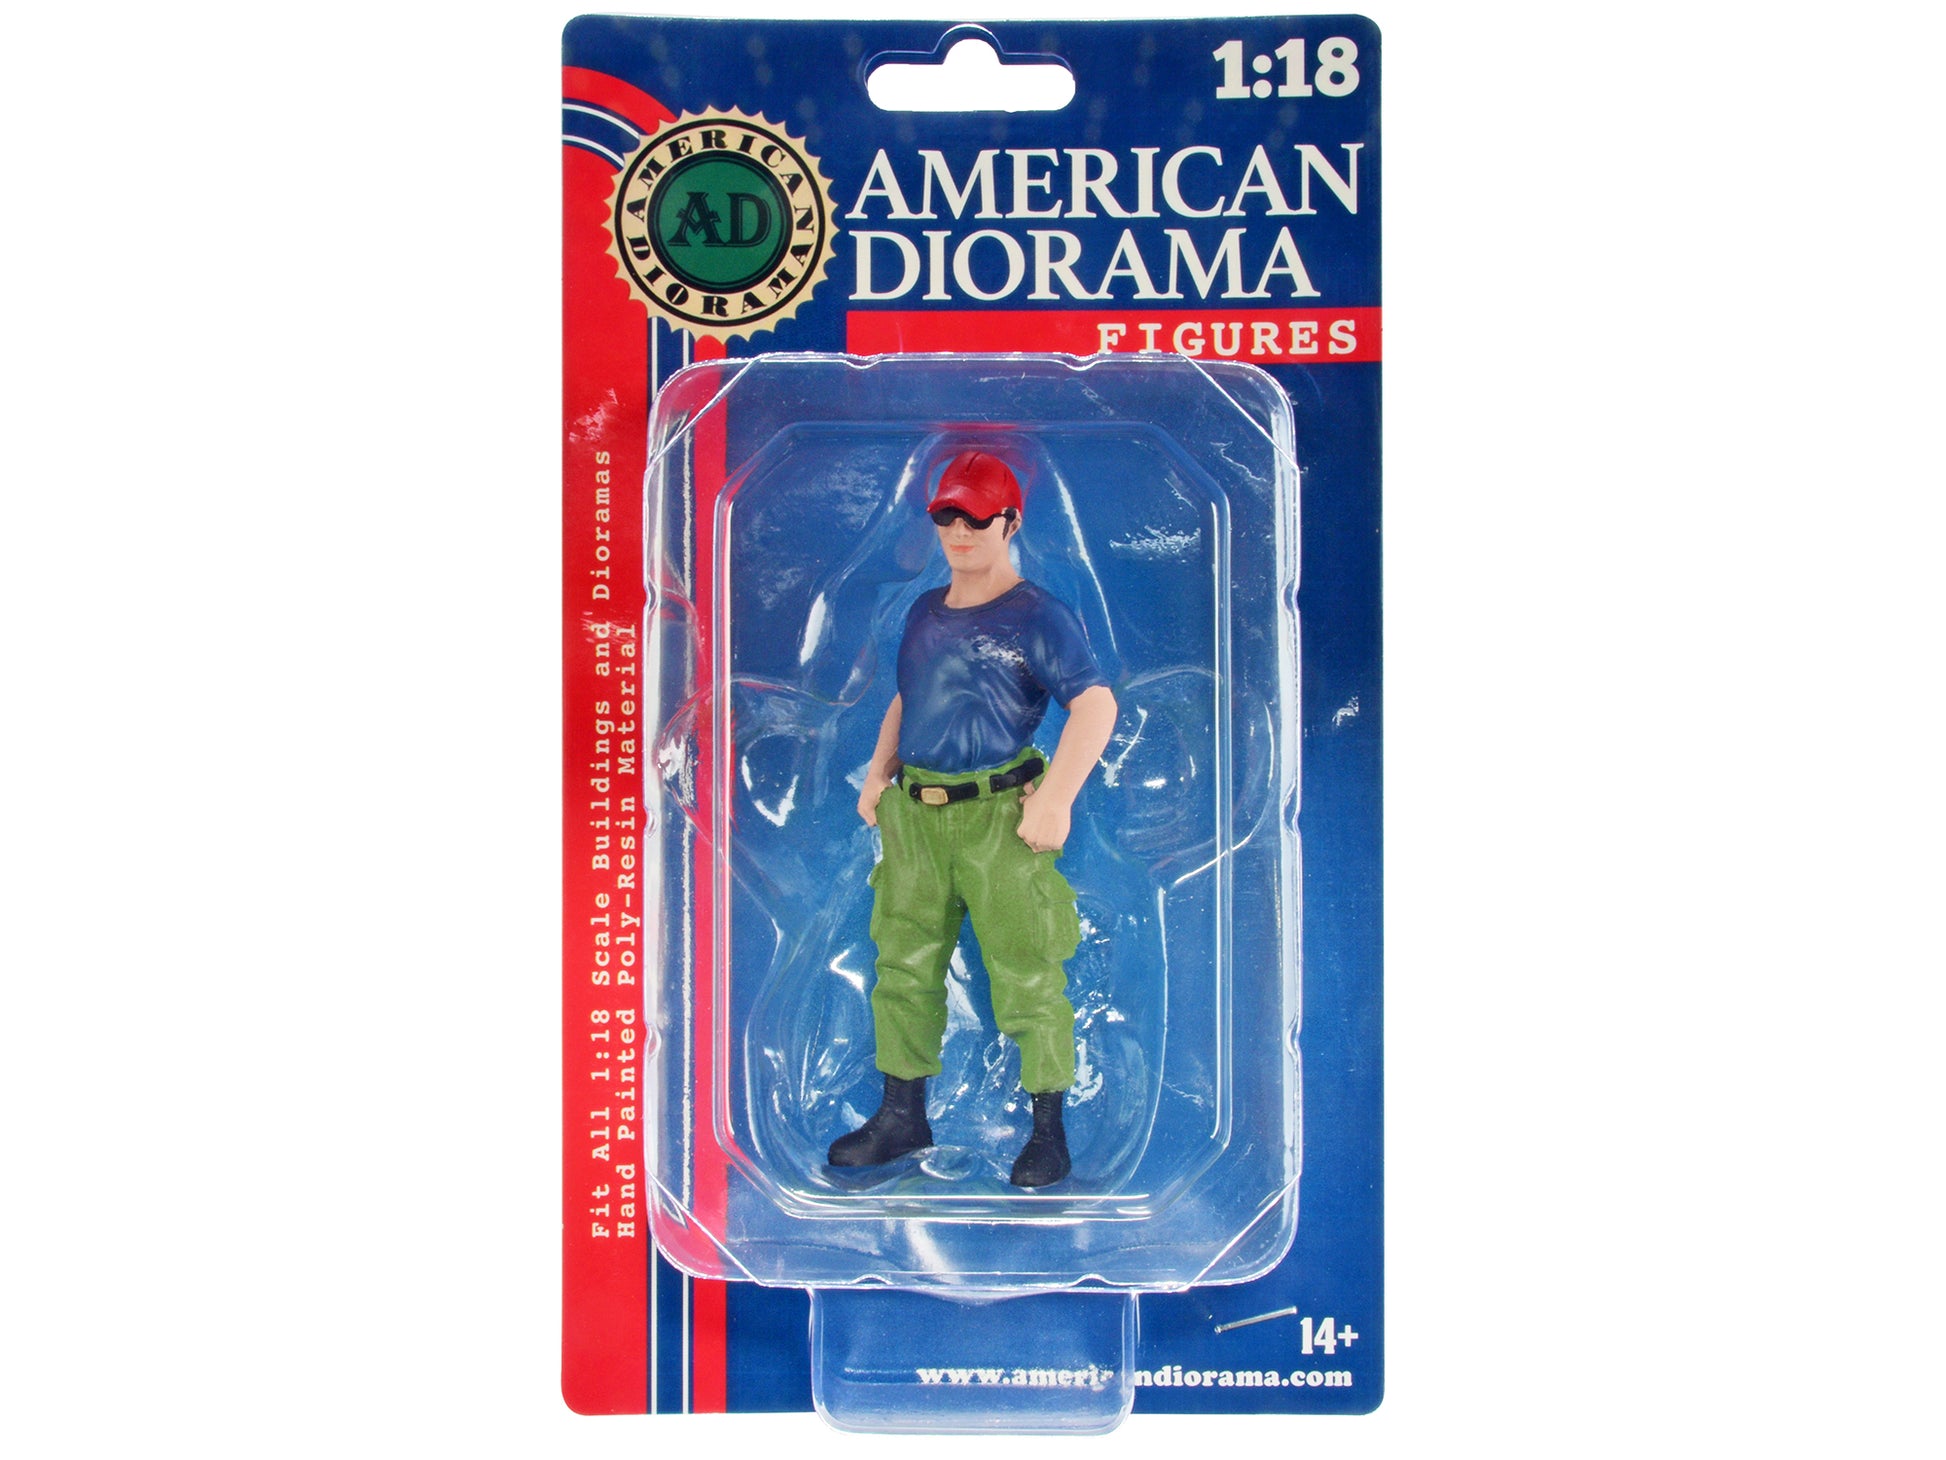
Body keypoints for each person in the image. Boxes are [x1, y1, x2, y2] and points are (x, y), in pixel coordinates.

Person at [828, 449, 1118, 1187]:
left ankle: (1048, 1129)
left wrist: (1055, 799)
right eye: (947, 516)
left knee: (1026, 967)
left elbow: (1095, 704)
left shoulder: (1037, 614)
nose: (960, 531)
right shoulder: (925, 610)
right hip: (916, 817)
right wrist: (879, 770)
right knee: (902, 963)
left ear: (1010, 523)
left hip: (998, 817)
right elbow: (908, 695)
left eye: (977, 518)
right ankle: (902, 1114)